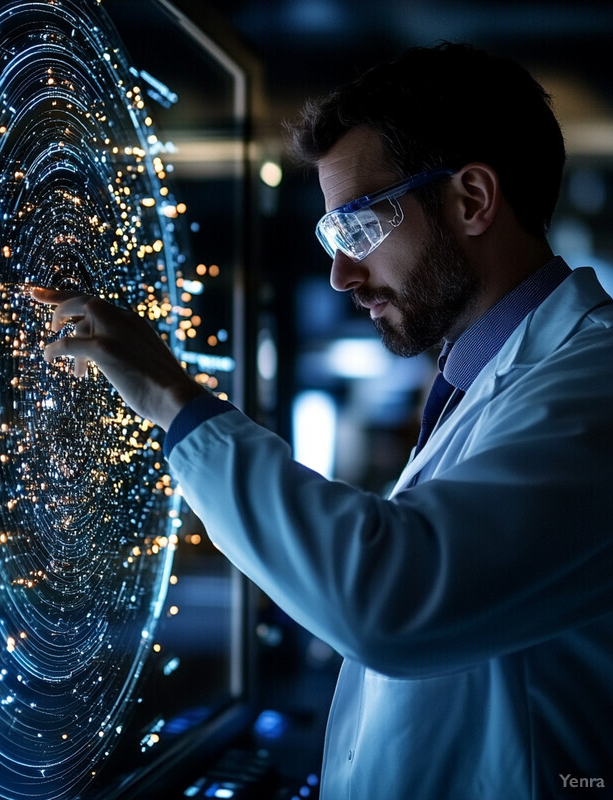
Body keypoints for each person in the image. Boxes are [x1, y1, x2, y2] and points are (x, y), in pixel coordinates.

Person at [33, 43, 613, 800]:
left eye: (361, 228)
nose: (342, 275)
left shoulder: (595, 381)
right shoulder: (493, 385)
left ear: (472, 199)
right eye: (333, 240)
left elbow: (393, 599)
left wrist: (174, 402)